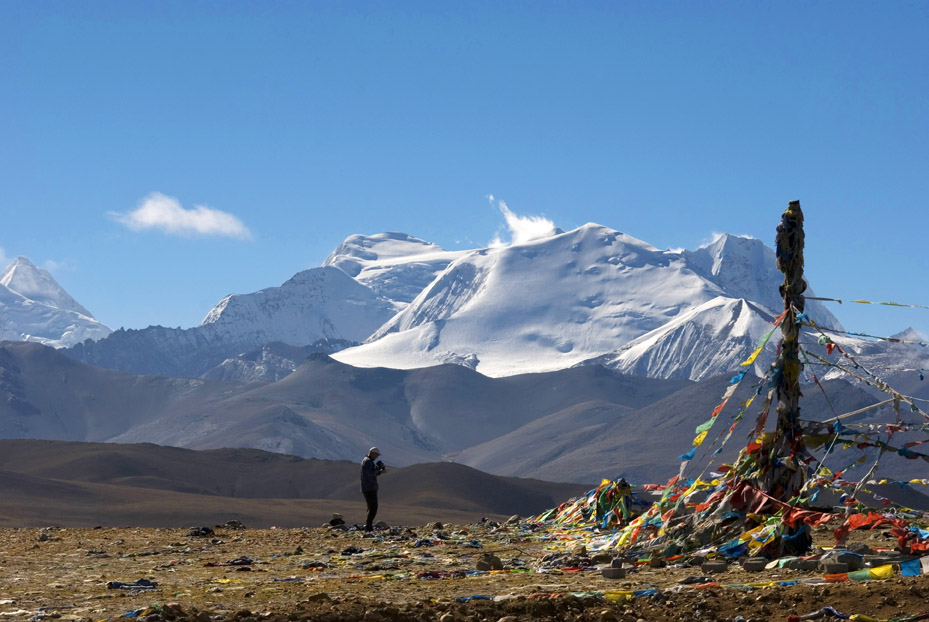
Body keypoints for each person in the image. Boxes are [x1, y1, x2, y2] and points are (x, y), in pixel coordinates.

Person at [360, 447, 387, 532]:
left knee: (371, 507)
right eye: (376, 455)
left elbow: (374, 472)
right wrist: (379, 466)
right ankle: (368, 527)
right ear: (372, 453)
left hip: (368, 487)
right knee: (373, 508)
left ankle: (368, 526)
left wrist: (380, 470)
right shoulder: (368, 461)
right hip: (369, 488)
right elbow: (371, 473)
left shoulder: (368, 461)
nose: (377, 457)